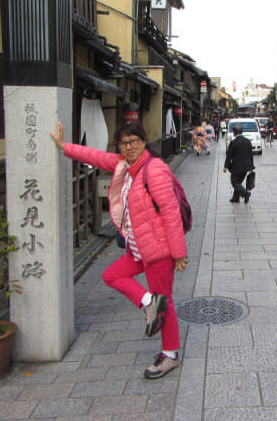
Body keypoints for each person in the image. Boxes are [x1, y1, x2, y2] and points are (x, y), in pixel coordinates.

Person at [50, 121, 188, 378]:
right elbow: (95, 156)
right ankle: (149, 303)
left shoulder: (154, 169)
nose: (129, 147)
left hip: (158, 252)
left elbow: (170, 212)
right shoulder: (123, 166)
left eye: (134, 141)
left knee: (165, 303)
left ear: (144, 142)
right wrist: (63, 146)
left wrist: (179, 253)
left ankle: (170, 355)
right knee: (112, 275)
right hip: (138, 249)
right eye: (124, 143)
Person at [223, 124, 254, 203]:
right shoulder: (248, 141)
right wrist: (251, 166)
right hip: (246, 166)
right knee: (238, 182)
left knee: (234, 182)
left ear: (234, 132)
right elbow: (250, 154)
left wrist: (225, 166)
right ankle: (235, 198)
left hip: (236, 166)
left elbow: (229, 155)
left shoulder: (234, 142)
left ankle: (246, 193)